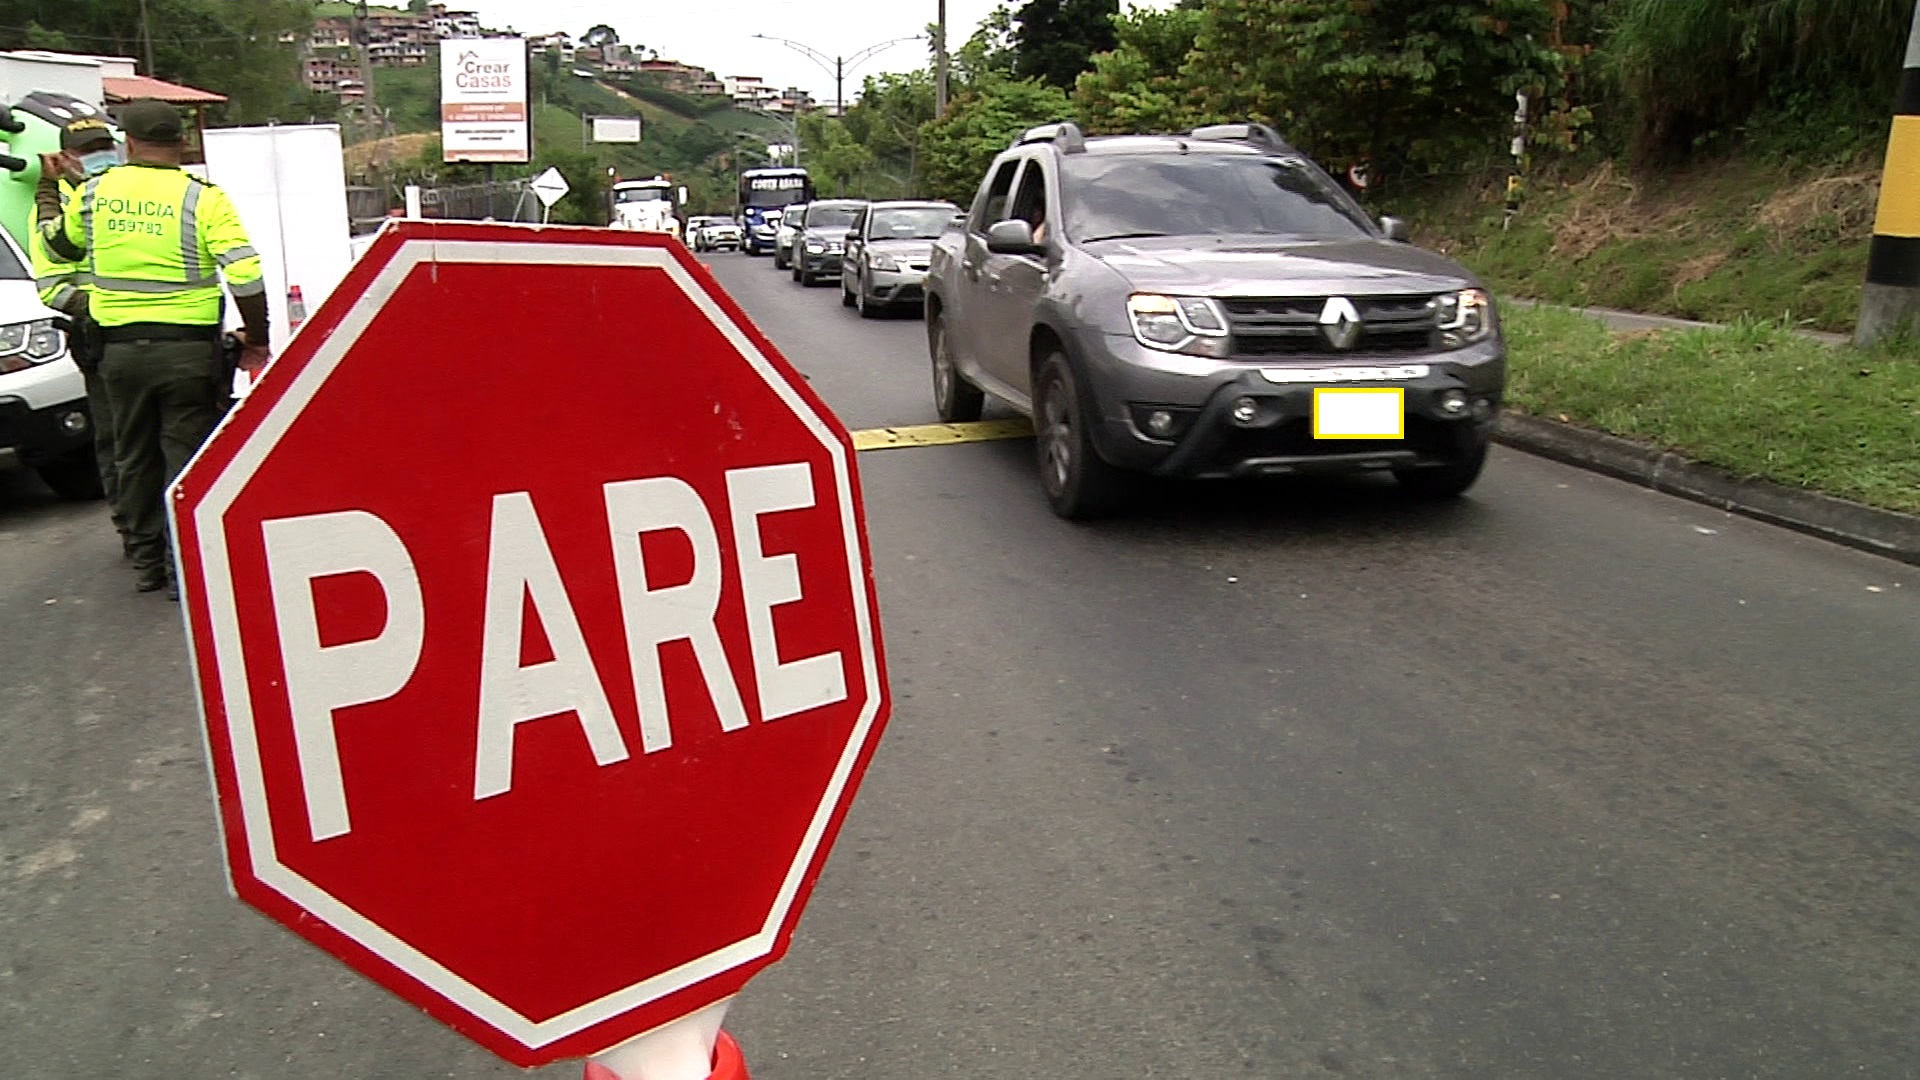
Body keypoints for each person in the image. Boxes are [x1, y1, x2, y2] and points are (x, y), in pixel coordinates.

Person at [37, 99, 270, 599]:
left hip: (119, 354)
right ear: (181, 143)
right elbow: (246, 272)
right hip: (187, 353)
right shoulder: (203, 197)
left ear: (129, 143)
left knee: (133, 455)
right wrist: (258, 338)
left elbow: (60, 248)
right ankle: (181, 566)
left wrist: (52, 191)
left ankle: (145, 562)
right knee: (183, 457)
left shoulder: (97, 193)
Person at [30, 116, 128, 552]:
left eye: (103, 147)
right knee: (117, 442)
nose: (97, 159)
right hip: (101, 338)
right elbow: (52, 287)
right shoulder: (54, 209)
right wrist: (108, 308)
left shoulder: (133, 190)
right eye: (86, 152)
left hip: (153, 332)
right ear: (65, 159)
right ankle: (135, 531)